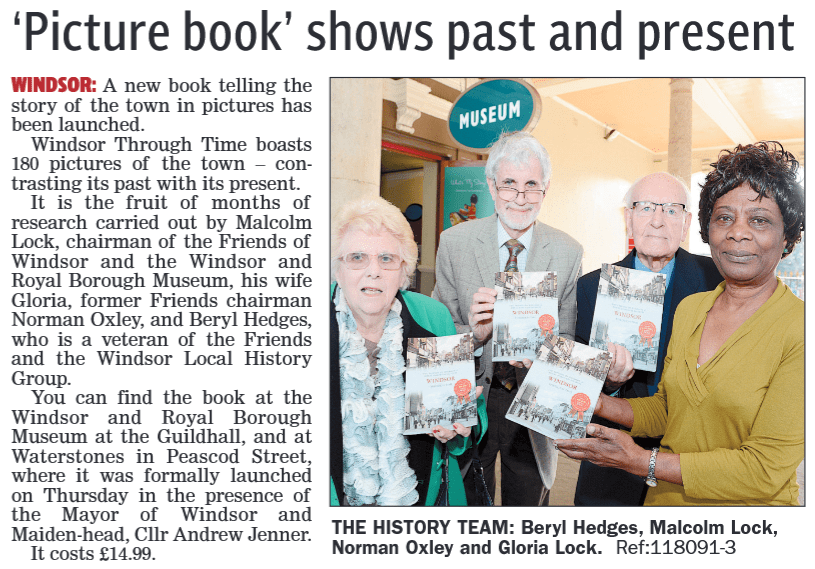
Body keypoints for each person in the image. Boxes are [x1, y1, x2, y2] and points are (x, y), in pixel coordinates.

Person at [557, 142, 804, 505]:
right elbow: (667, 409)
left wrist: (643, 461)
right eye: (724, 218)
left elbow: (764, 470)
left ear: (788, 238)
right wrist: (589, 397)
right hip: (662, 504)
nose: (738, 232)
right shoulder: (692, 309)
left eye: (759, 219)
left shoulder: (798, 329)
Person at [435, 131, 594, 506]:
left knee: (529, 505)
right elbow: (436, 339)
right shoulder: (454, 242)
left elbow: (570, 338)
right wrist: (473, 334)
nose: (520, 198)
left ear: (546, 188)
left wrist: (549, 351)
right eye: (509, 184)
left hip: (534, 401)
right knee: (470, 504)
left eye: (531, 185)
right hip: (473, 396)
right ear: (491, 185)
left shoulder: (568, 251)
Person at [573, 173, 723, 506]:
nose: (657, 221)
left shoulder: (717, 280)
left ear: (685, 223)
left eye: (670, 210)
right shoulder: (590, 288)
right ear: (628, 219)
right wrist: (609, 382)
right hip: (613, 461)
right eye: (644, 208)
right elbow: (577, 385)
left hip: (690, 459)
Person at [330, 196, 484, 506]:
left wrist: (459, 428)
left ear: (404, 273)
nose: (373, 271)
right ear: (337, 269)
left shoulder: (433, 317)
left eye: (387, 259)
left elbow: (468, 417)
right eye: (357, 257)